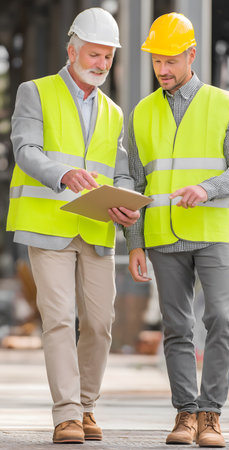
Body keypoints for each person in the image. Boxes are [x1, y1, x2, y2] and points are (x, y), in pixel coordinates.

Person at [6, 7, 140, 444]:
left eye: (108, 57)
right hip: (48, 224)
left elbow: (120, 170)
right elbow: (25, 148)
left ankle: (86, 406)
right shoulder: (35, 92)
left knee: (100, 323)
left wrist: (125, 203)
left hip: (97, 228)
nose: (101, 64)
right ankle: (66, 415)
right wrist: (61, 175)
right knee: (59, 318)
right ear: (72, 49)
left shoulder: (114, 111)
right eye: (95, 54)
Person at [125, 12, 229, 448]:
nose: (163, 70)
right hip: (162, 234)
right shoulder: (141, 112)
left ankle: (212, 414)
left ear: (191, 55)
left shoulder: (223, 102)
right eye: (158, 61)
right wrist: (135, 243)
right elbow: (136, 184)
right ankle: (186, 414)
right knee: (176, 327)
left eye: (171, 61)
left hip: (214, 229)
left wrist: (208, 187)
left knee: (220, 318)